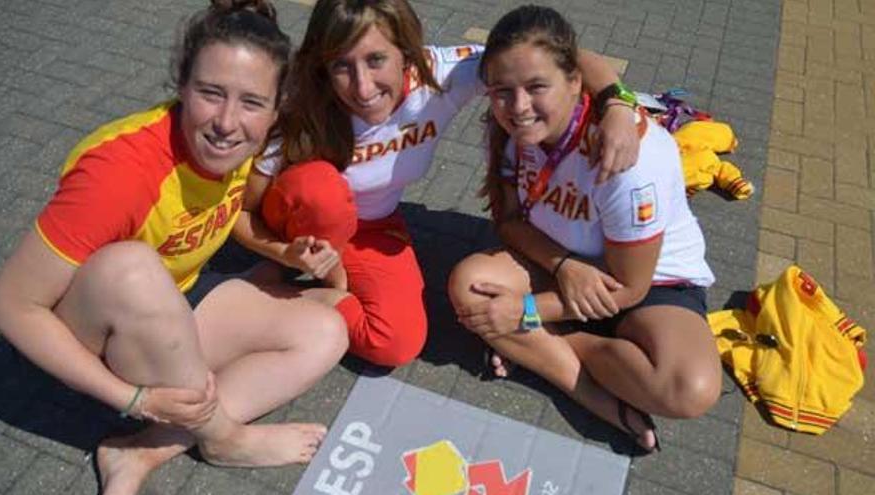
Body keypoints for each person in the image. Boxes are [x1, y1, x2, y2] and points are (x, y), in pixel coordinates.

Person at [0, 1, 348, 494]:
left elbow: (234, 216)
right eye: (210, 93)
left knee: (328, 331)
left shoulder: (243, 146)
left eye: (250, 102)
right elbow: (12, 305)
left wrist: (284, 254)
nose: (227, 121)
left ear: (275, 108)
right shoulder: (120, 171)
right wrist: (134, 398)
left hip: (172, 307)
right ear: (182, 86)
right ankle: (223, 438)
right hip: (79, 346)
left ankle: (140, 449)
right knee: (132, 268)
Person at [232, 0, 643, 368]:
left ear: (408, 54)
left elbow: (551, 57)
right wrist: (285, 253)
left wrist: (618, 103)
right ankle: (286, 280)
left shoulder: (441, 75)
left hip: (371, 225)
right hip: (297, 221)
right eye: (342, 65)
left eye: (376, 60)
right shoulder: (300, 104)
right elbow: (242, 211)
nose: (362, 87)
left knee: (396, 343)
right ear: (323, 66)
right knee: (321, 190)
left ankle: (282, 299)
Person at [448, 5, 722, 452]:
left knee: (688, 388)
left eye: (537, 88)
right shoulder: (509, 132)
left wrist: (526, 315)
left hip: (646, 282)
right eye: (502, 91)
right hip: (556, 261)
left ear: (575, 83)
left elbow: (629, 289)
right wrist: (565, 265)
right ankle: (586, 391)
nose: (518, 108)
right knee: (471, 287)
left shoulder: (626, 157)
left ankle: (544, 343)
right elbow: (510, 222)